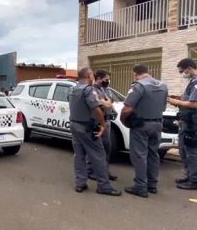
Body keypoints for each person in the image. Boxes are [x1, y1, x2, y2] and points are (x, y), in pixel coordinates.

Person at [68, 67, 121, 196]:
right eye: (92, 75)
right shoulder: (88, 90)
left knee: (79, 156)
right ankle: (104, 186)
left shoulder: (73, 89)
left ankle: (80, 183)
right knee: (99, 155)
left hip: (75, 125)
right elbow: (96, 108)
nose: (93, 77)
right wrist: (103, 125)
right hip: (87, 127)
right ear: (88, 76)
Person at [120, 64, 168, 198]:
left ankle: (141, 186)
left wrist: (124, 120)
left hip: (141, 125)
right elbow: (163, 107)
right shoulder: (163, 86)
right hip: (157, 124)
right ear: (149, 72)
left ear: (136, 73)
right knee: (153, 154)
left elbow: (127, 108)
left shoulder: (138, 86)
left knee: (139, 155)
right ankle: (152, 185)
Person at [168, 58, 197, 190]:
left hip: (193, 124)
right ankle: (189, 175)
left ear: (189, 68)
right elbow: (189, 98)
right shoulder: (192, 82)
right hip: (186, 121)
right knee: (183, 150)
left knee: (192, 152)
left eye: (182, 71)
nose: (182, 74)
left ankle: (194, 180)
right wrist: (179, 98)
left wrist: (177, 103)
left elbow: (194, 103)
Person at [87, 70, 118, 181]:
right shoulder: (92, 90)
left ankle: (104, 171)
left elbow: (109, 103)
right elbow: (101, 105)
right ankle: (91, 171)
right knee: (95, 148)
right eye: (106, 79)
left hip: (107, 122)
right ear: (98, 78)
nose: (107, 81)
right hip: (97, 122)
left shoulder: (107, 90)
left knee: (106, 147)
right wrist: (106, 103)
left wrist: (113, 109)